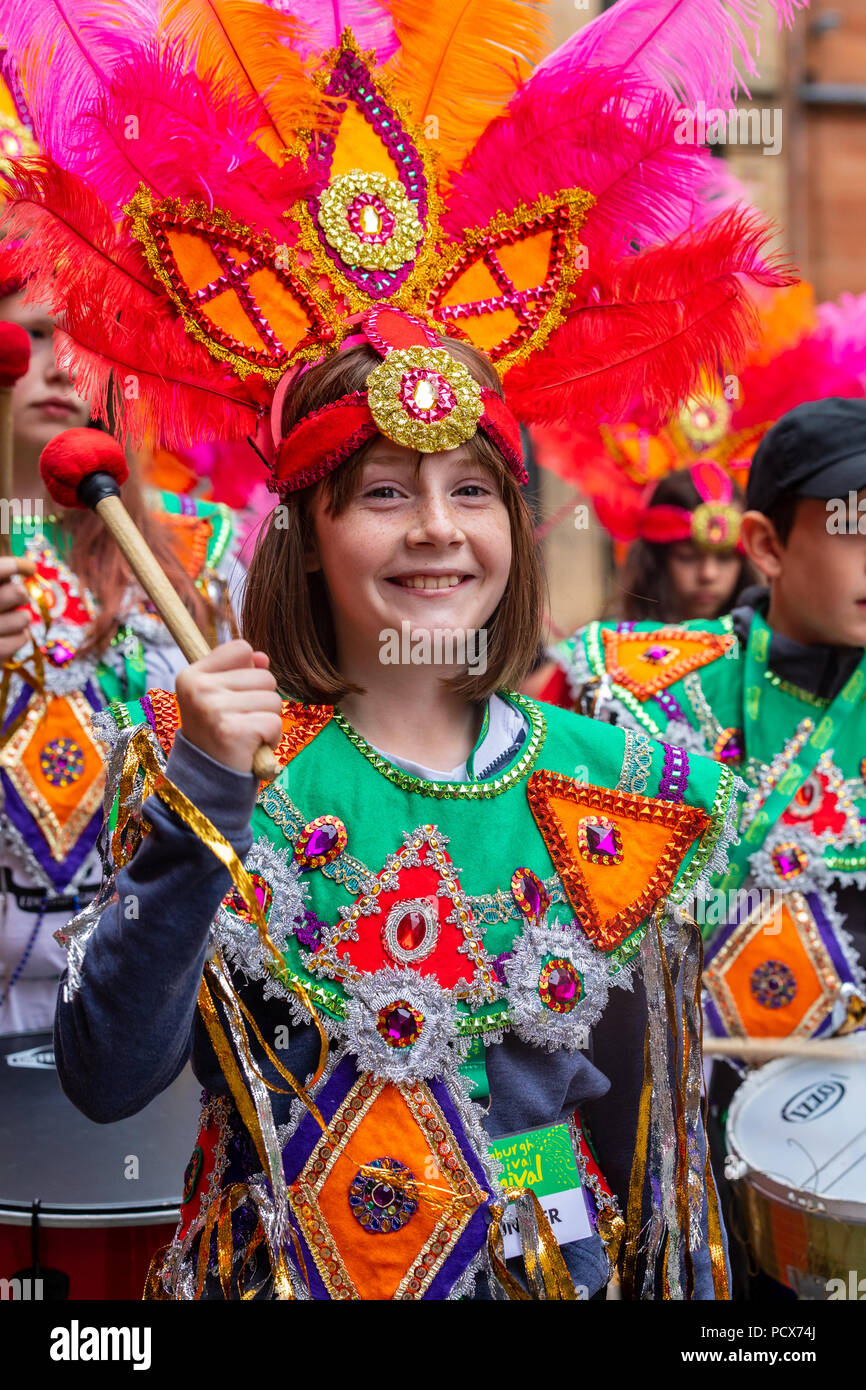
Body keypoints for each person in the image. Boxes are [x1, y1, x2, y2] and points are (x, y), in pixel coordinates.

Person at [3, 0, 804, 1301]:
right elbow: (108, 1073)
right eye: (381, 492)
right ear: (305, 533)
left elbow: (627, 1123)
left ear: (512, 523)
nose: (437, 531)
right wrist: (206, 790)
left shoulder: (625, 772)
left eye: (469, 490)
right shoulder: (210, 754)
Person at [0, 277, 241, 1033]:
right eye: (32, 337)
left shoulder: (215, 551)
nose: (60, 366)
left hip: (161, 999)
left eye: (84, 345)